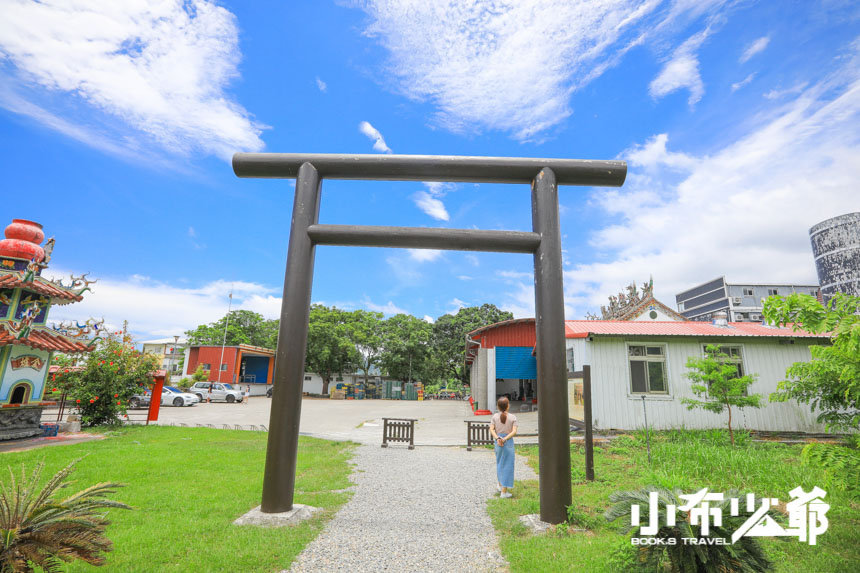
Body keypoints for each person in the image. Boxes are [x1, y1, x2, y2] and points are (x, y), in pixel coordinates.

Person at [489, 396, 518, 498]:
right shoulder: (513, 417)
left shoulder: (494, 417)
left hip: (498, 442)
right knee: (508, 465)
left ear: (498, 406)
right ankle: (504, 492)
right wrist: (505, 439)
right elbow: (514, 431)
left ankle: (500, 485)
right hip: (508, 442)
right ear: (507, 406)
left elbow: (491, 429)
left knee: (500, 463)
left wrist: (498, 438)